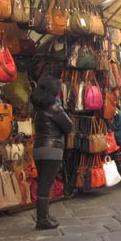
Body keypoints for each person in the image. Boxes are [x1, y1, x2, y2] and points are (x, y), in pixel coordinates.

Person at [30, 76, 73, 229]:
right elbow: (68, 126)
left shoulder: (38, 106)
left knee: (43, 181)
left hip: (39, 147)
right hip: (52, 148)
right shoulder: (53, 106)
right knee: (45, 184)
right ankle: (42, 220)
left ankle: (45, 216)